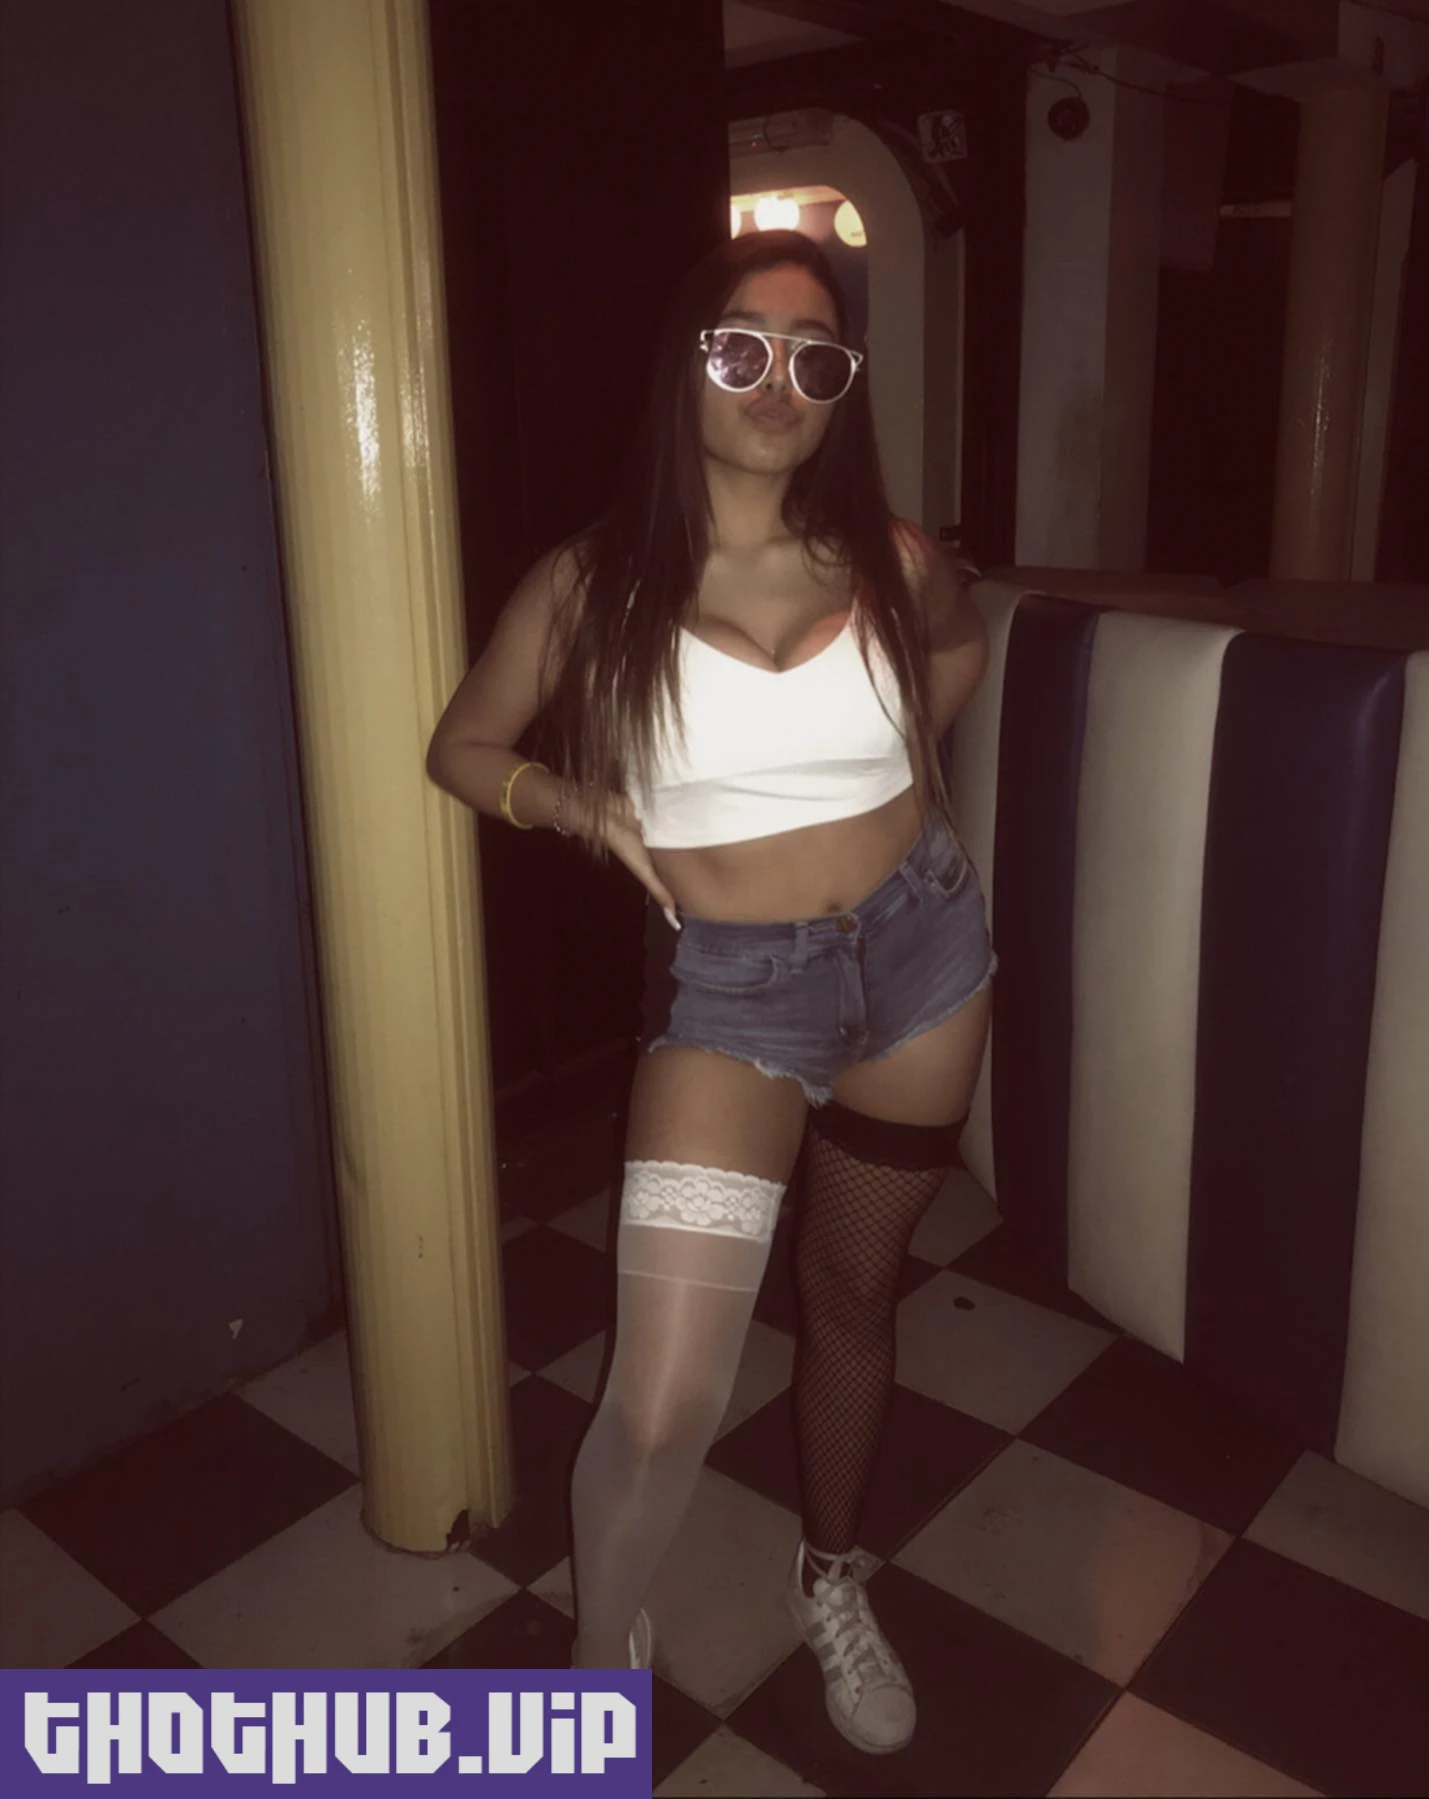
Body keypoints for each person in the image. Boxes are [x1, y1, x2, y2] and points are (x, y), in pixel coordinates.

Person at [426, 229, 996, 1755]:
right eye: (743, 347)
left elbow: (958, 652)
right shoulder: (593, 582)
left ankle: (830, 1572)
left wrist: (899, 777)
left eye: (816, 360)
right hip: (736, 996)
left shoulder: (896, 558)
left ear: (842, 389)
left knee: (852, 1295)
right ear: (688, 363)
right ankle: (598, 1653)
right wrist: (576, 803)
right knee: (664, 1394)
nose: (777, 384)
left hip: (923, 959)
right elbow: (463, 746)